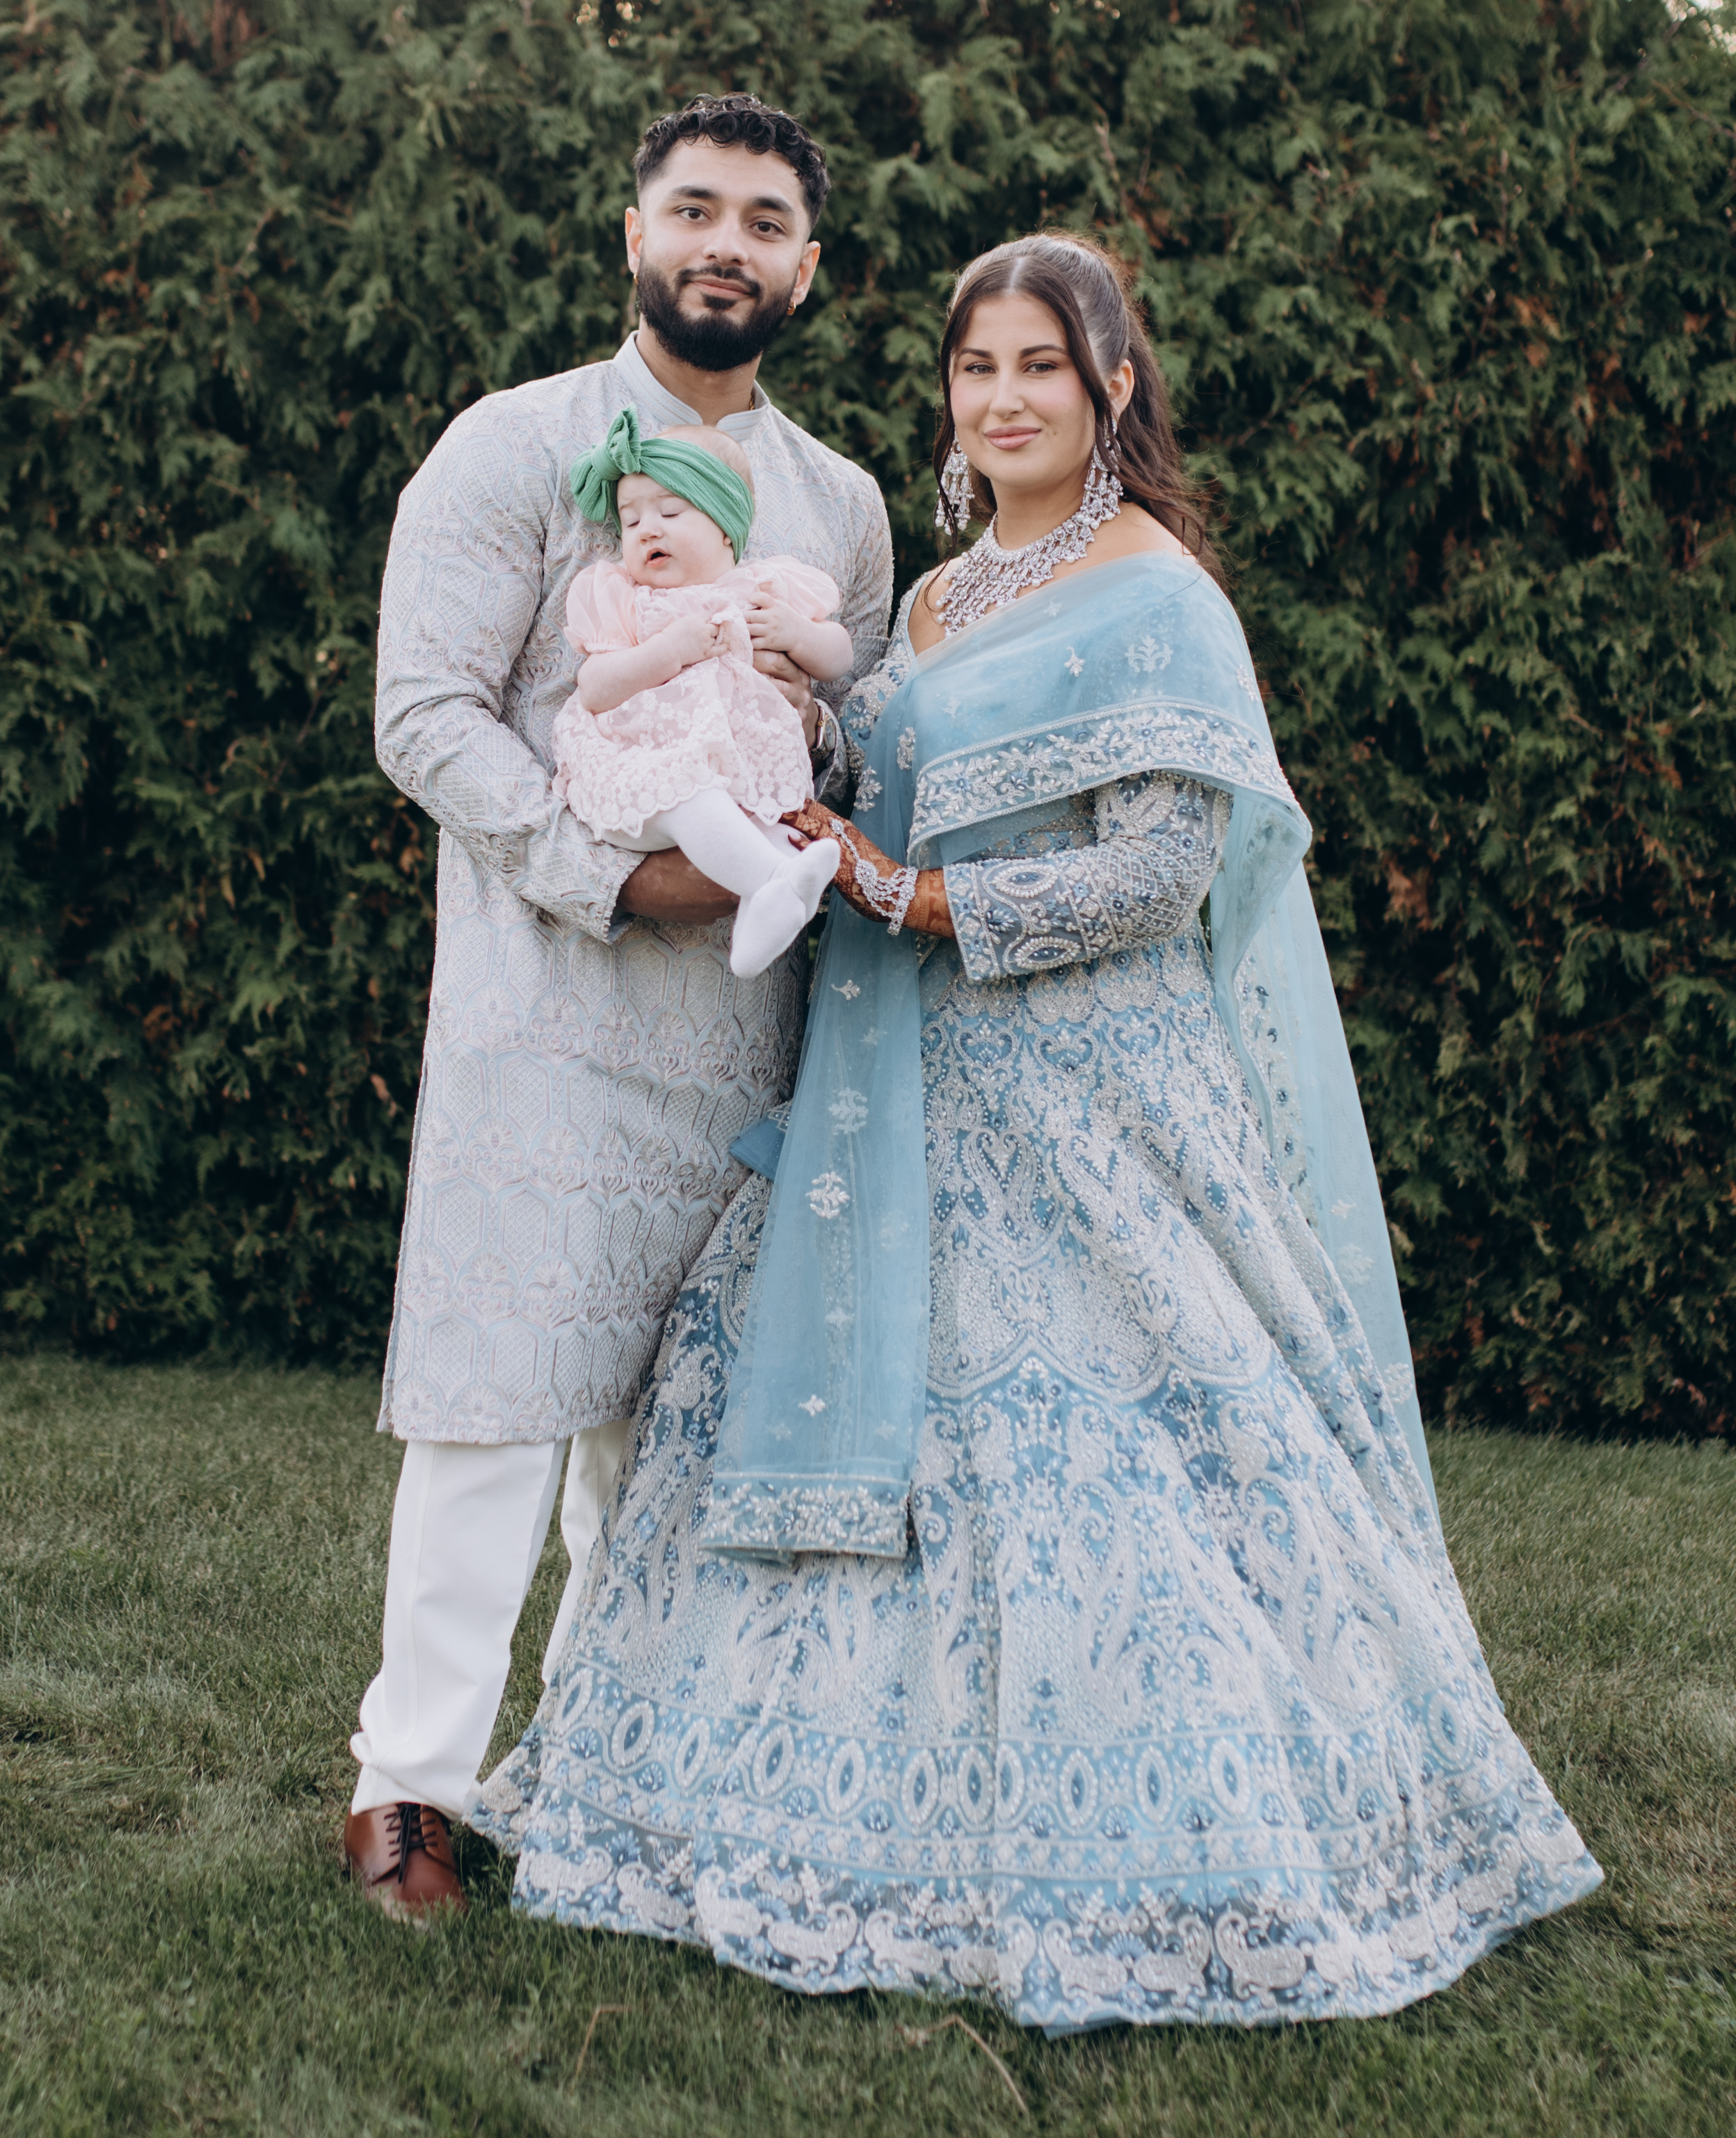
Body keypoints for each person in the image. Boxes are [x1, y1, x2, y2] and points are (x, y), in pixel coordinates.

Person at [472, 233, 1602, 2025]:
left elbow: (1162, 872)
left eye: (1040, 368)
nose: (1002, 399)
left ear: (1111, 387)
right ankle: (773, 1812)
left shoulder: (1162, 598)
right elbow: (874, 782)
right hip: (893, 1090)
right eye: (974, 367)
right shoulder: (930, 601)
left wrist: (922, 902)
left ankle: (1180, 1840)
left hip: (1094, 1112)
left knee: (1111, 1469)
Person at [344, 95, 892, 1918]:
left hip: (741, 1031)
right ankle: (410, 1788)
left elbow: (844, 735)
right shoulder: (516, 445)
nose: (727, 243)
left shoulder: (842, 504)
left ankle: (579, 1773)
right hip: (547, 1006)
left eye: (765, 220)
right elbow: (427, 716)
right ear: (636, 234)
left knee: (665, 1435)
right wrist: (612, 874)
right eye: (696, 208)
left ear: (808, 267)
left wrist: (807, 799)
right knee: (497, 1404)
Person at [554, 410, 848, 977]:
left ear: (725, 525)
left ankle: (764, 911)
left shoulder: (763, 590)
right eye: (631, 520)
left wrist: (797, 633)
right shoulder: (628, 599)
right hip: (637, 773)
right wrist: (667, 650)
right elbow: (593, 689)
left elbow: (838, 657)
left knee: (766, 819)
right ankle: (772, 881)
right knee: (696, 796)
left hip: (728, 768)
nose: (647, 530)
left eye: (669, 511)